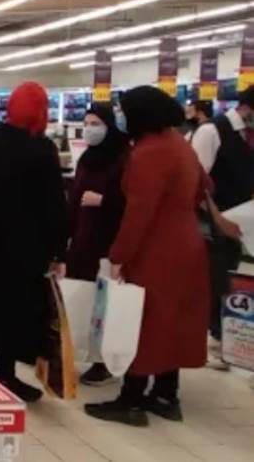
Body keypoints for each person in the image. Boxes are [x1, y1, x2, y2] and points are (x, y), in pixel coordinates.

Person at [84, 86, 213, 426]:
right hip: (186, 243)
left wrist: (119, 255)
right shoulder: (178, 144)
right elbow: (205, 188)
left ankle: (131, 400)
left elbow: (139, 213)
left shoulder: (149, 153)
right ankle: (166, 394)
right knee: (171, 321)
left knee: (141, 321)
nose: (120, 116)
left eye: (123, 110)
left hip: (157, 248)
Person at [0, 82, 67, 402]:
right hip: (28, 244)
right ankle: (5, 373)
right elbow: (54, 205)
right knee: (15, 308)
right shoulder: (42, 148)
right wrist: (59, 250)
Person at [66, 103, 129, 386]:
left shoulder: (122, 159)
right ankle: (82, 351)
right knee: (83, 298)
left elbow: (132, 201)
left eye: (96, 124)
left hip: (107, 241)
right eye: (87, 123)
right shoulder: (87, 159)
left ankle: (102, 362)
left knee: (104, 304)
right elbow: (74, 198)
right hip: (83, 239)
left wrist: (105, 201)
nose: (90, 129)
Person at [189, 93, 251, 368]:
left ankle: (220, 336)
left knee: (227, 276)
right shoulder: (211, 131)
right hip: (211, 223)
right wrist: (217, 219)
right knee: (212, 278)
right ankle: (208, 339)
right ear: (246, 108)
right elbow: (196, 183)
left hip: (239, 222)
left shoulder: (246, 136)